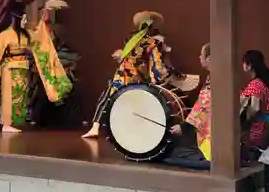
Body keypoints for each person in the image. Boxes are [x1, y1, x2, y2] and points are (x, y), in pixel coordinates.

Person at [82, 11, 199, 139]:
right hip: (138, 79)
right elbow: (157, 66)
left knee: (107, 98)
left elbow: (127, 59)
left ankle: (96, 127)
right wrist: (169, 76)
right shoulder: (154, 42)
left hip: (122, 76)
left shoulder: (133, 40)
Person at [0, 0, 36, 133]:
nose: (26, 21)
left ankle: (14, 122)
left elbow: (39, 39)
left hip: (23, 68)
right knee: (9, 96)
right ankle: (6, 122)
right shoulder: (5, 35)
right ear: (15, 18)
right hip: (10, 68)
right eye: (23, 18)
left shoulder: (27, 34)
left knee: (21, 97)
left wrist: (45, 19)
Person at [170, 42, 211, 160]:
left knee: (175, 153)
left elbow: (204, 109)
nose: (199, 57)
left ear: (209, 58)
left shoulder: (216, 79)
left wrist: (183, 127)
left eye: (201, 55)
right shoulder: (215, 76)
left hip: (212, 138)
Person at [240, 50, 269, 150]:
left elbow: (255, 108)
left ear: (249, 65)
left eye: (244, 62)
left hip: (256, 130)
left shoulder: (255, 84)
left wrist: (243, 121)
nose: (242, 65)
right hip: (264, 128)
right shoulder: (263, 82)